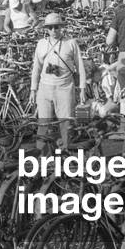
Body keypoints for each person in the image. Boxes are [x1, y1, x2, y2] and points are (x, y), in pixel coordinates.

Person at [31, 13, 87, 151]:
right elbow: (36, 68)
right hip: (45, 89)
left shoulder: (71, 43)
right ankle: (41, 156)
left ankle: (66, 155)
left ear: (61, 27)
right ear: (46, 29)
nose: (54, 30)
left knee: (66, 125)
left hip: (65, 88)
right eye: (50, 28)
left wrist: (83, 88)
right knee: (43, 125)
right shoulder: (41, 44)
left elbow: (80, 66)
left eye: (56, 27)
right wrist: (33, 89)